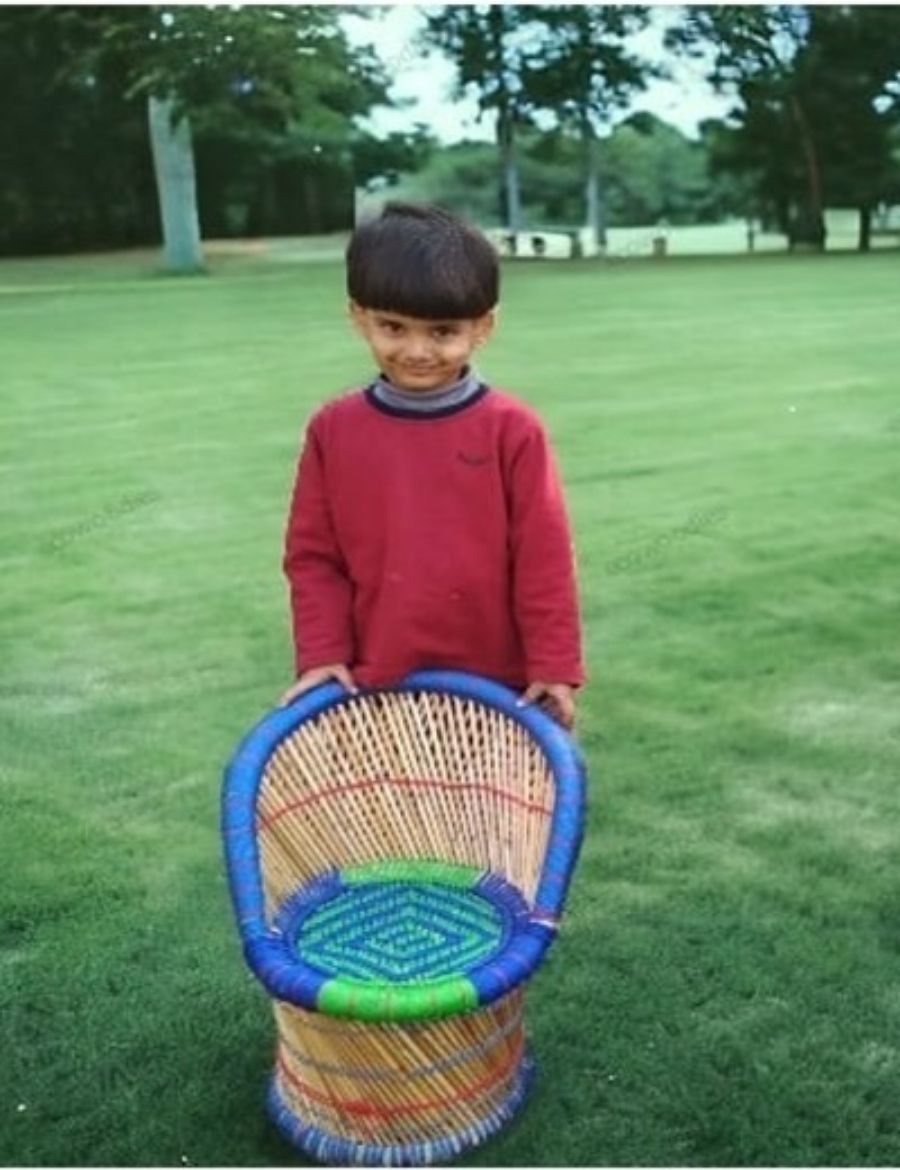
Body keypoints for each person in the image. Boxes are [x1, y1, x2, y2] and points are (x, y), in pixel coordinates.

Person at [278, 202, 584, 728]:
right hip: (374, 684)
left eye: (442, 331)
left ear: (482, 326)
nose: (417, 350)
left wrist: (553, 664)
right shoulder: (333, 430)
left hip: (502, 690)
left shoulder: (513, 430)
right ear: (358, 317)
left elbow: (544, 557)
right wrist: (323, 652)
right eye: (392, 327)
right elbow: (313, 558)